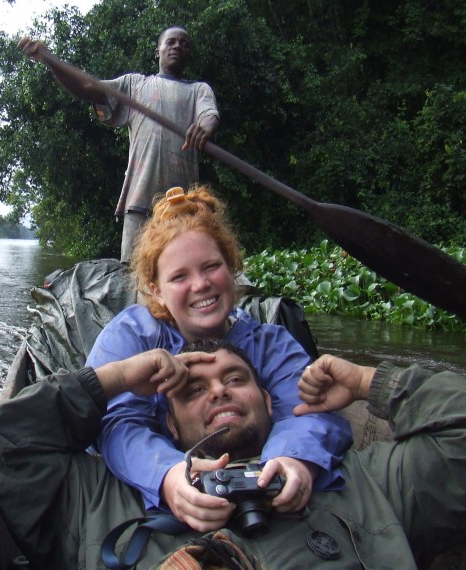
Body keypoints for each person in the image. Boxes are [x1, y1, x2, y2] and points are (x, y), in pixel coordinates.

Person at [0, 340, 466, 569]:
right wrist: (115, 379)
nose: (219, 393)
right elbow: (0, 442)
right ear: (167, 423)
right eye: (193, 390)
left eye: (234, 379)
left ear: (271, 402)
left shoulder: (364, 480)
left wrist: (368, 383)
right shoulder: (103, 497)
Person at [85, 185, 351, 527]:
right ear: (156, 290)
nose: (200, 285)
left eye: (211, 267)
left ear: (232, 267)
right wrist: (167, 475)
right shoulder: (130, 338)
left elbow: (309, 411)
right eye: (179, 276)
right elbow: (116, 424)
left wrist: (293, 460)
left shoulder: (272, 345)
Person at [18, 27, 220, 262]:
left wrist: (204, 127)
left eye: (184, 44)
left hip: (183, 205)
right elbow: (85, 88)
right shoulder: (134, 85)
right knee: (133, 273)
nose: (177, 46)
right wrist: (52, 62)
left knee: (182, 271)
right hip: (140, 202)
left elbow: (209, 115)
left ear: (190, 54)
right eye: (171, 42)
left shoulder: (198, 90)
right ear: (158, 51)